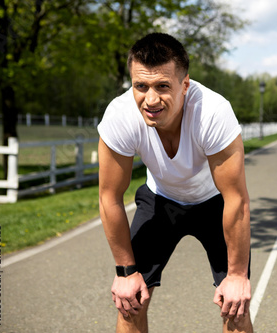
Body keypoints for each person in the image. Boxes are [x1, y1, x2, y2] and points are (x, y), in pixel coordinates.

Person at [97, 32, 253, 333]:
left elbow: (237, 199)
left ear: (185, 85)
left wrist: (236, 276)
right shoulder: (120, 115)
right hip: (160, 202)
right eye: (140, 86)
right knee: (130, 302)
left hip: (214, 204)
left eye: (162, 86)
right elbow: (109, 198)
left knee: (236, 306)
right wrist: (126, 272)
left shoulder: (213, 113)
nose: (150, 99)